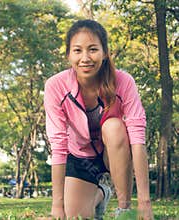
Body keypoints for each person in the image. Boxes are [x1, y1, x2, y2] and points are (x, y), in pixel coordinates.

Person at [44, 19, 153, 219]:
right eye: (77, 50)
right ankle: (102, 194)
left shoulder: (123, 81)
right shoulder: (55, 86)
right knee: (75, 216)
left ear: (104, 53)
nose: (85, 58)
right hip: (81, 158)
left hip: (115, 153)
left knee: (113, 126)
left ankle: (123, 207)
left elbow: (137, 138)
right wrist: (57, 206)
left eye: (93, 49)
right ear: (68, 55)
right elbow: (59, 145)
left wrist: (144, 203)